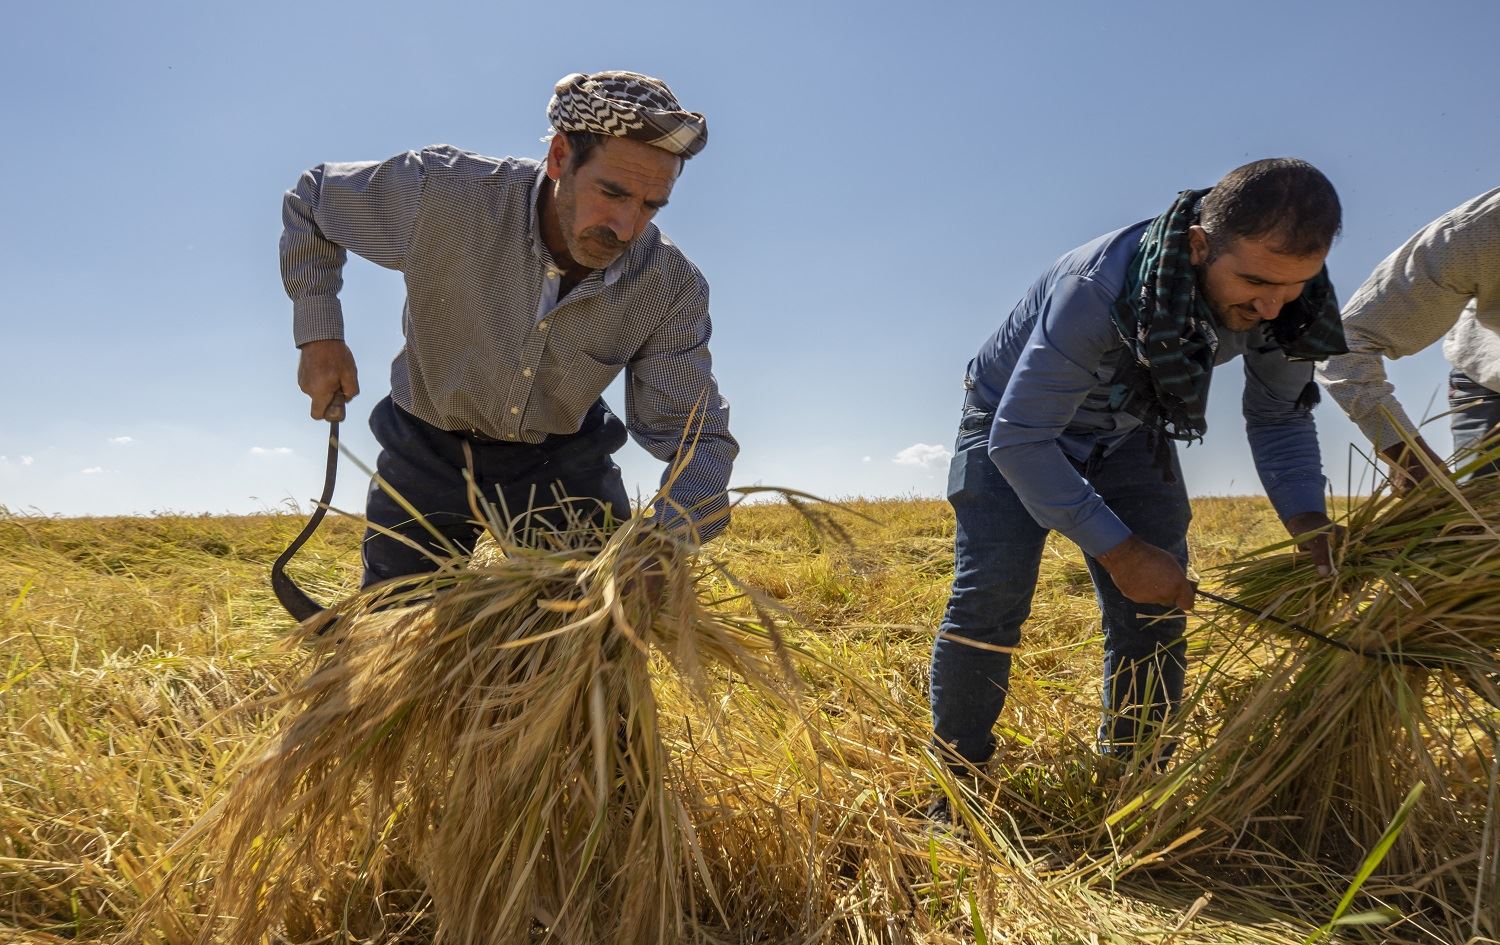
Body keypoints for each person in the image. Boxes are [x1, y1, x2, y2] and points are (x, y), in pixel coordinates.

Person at [928, 159, 1346, 814]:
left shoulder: (1292, 302)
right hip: (1015, 422)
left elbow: (1279, 414)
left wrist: (1306, 520)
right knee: (991, 600)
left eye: (1292, 285)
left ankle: (1132, 786)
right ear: (1199, 246)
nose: (1271, 306)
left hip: (1129, 426)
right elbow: (1021, 440)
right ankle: (958, 790)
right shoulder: (1100, 287)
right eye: (1256, 281)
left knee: (1157, 609)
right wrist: (1119, 551)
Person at [280, 71, 738, 587]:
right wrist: (319, 334)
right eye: (612, 193)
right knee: (391, 624)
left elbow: (696, 437)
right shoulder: (442, 195)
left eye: (651, 205)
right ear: (561, 157)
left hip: (560, 463)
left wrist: (667, 546)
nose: (627, 227)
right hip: (425, 446)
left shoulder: (667, 287)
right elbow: (312, 203)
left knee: (594, 637)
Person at [1317, 188, 1500, 484]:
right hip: (1492, 386)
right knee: (1481, 523)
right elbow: (1346, 345)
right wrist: (1410, 460)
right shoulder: (1478, 234)